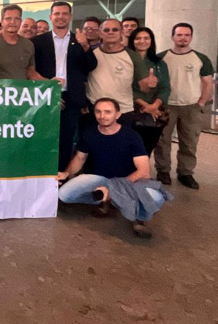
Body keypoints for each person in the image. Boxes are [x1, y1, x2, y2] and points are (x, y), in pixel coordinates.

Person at [58, 98, 171, 239]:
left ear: (117, 115)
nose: (102, 116)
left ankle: (138, 217)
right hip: (100, 179)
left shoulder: (132, 136)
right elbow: (79, 159)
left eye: (107, 112)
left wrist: (114, 187)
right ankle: (109, 199)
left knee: (156, 197)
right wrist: (66, 173)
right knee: (65, 195)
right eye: (98, 112)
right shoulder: (89, 133)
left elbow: (144, 172)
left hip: (129, 182)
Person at [32, 1, 98, 171]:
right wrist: (48, 87)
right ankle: (42, 174)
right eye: (57, 13)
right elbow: (31, 70)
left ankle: (61, 175)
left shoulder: (80, 40)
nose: (60, 17)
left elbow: (91, 66)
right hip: (45, 95)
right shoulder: (37, 41)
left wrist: (86, 46)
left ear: (70, 17)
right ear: (50, 16)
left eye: (64, 13)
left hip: (71, 98)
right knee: (42, 137)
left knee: (66, 140)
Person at [154, 23, 215, 189]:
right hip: (166, 106)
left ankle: (185, 173)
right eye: (179, 35)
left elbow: (208, 82)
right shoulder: (161, 57)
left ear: (191, 37)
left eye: (187, 35)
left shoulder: (200, 58)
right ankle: (163, 171)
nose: (183, 38)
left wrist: (201, 102)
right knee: (162, 141)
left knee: (189, 141)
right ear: (172, 37)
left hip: (191, 107)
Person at [85, 18, 143, 128]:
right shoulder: (91, 55)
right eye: (106, 30)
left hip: (123, 110)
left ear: (122, 32)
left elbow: (143, 87)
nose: (110, 32)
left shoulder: (133, 56)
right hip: (95, 111)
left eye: (115, 29)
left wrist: (148, 84)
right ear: (100, 33)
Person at [127, 27, 170, 158]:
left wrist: (154, 106)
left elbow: (165, 88)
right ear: (132, 41)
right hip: (131, 110)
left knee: (147, 149)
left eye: (146, 38)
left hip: (155, 113)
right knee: (129, 148)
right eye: (138, 38)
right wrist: (145, 105)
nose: (142, 41)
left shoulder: (159, 64)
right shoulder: (126, 61)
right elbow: (124, 87)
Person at [0, 5, 40, 80]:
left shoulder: (28, 45)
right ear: (2, 21)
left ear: (20, 21)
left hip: (22, 87)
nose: (13, 22)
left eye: (17, 19)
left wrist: (50, 83)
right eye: (8, 18)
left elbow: (31, 74)